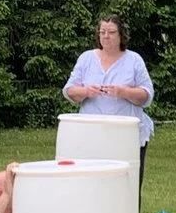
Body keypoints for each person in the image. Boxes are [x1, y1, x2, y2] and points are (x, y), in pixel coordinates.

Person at [64, 15, 154, 189]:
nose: (106, 36)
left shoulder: (134, 60)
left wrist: (124, 92)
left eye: (111, 32)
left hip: (126, 136)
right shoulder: (86, 59)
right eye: (102, 32)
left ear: (121, 35)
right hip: (92, 136)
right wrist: (86, 91)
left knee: (127, 186)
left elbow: (146, 95)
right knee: (93, 184)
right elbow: (69, 91)